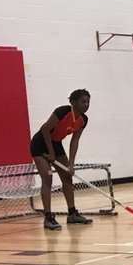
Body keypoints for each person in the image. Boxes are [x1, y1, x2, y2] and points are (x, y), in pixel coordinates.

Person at [31, 89, 93, 231]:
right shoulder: (62, 112)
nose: (86, 105)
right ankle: (48, 217)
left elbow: (74, 141)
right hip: (40, 144)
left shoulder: (83, 120)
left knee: (67, 177)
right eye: (83, 102)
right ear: (73, 102)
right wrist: (51, 153)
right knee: (47, 179)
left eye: (88, 102)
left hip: (56, 144)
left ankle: (72, 214)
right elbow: (45, 130)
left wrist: (71, 164)